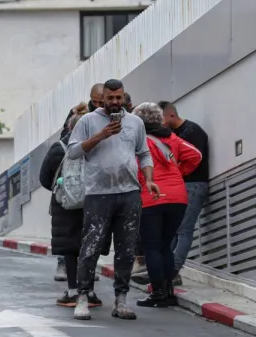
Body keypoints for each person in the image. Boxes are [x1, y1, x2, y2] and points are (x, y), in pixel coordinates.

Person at [65, 79, 159, 321]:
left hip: (129, 193)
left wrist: (148, 179)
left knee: (126, 249)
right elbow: (73, 152)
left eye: (119, 98)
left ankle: (121, 300)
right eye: (110, 98)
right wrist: (100, 136)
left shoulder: (135, 122)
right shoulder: (88, 121)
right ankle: (83, 297)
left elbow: (144, 153)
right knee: (91, 246)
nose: (115, 102)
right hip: (98, 194)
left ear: (125, 97)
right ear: (102, 99)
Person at [132, 102, 202, 308]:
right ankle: (168, 291)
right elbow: (195, 156)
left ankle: (158, 294)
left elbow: (132, 166)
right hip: (178, 197)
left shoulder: (140, 141)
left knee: (151, 246)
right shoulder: (172, 138)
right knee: (165, 245)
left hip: (151, 196)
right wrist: (180, 173)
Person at [39, 106, 103, 309]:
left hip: (64, 206)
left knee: (70, 250)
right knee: (89, 247)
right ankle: (90, 291)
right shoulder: (98, 146)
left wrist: (62, 188)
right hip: (93, 202)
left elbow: (43, 178)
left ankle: (74, 291)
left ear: (69, 126)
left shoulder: (58, 147)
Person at [159, 101, 210, 285]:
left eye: (162, 118)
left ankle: (173, 271)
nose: (160, 123)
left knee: (183, 229)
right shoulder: (176, 133)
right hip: (182, 185)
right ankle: (169, 270)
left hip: (194, 185)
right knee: (174, 229)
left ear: (171, 115)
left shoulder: (192, 132)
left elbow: (194, 158)